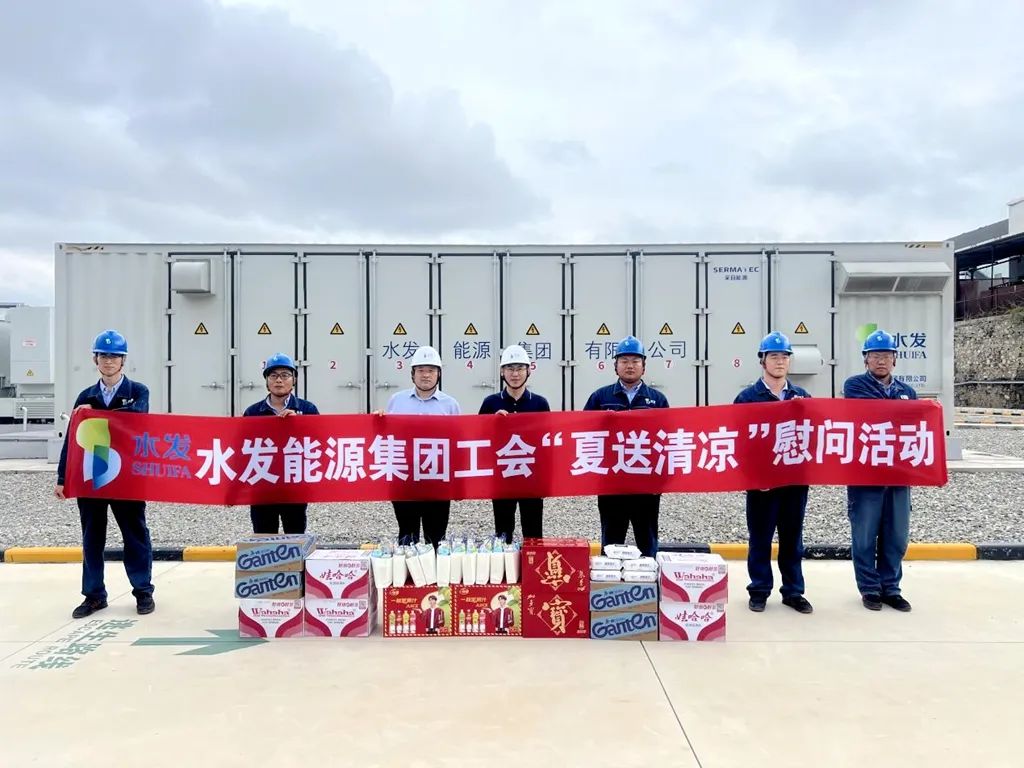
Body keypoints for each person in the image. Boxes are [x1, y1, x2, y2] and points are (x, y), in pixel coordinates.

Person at [54, 329, 156, 619]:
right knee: (92, 536)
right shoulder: (85, 396)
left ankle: (143, 591)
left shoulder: (138, 392)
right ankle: (94, 595)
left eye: (115, 356)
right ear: (95, 359)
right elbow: (72, 439)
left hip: (127, 476)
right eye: (103, 356)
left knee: (135, 534)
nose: (109, 361)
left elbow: (137, 419)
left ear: (123, 360)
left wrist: (94, 413)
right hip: (92, 474)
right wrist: (62, 478)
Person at [734, 332, 813, 614]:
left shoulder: (802, 398)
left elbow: (812, 438)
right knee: (760, 539)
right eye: (774, 356)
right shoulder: (747, 398)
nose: (780, 362)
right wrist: (755, 477)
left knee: (792, 540)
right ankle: (759, 590)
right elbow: (739, 442)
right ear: (762, 361)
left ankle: (793, 592)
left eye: (784, 357)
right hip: (761, 486)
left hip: (794, 484)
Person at [843, 329, 917, 612]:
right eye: (875, 355)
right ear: (866, 359)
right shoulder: (855, 386)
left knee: (896, 534)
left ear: (895, 359)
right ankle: (870, 588)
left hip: (898, 476)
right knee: (864, 534)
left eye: (886, 355)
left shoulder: (908, 392)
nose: (881, 360)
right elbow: (872, 411)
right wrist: (898, 410)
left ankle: (891, 588)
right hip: (866, 474)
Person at [583, 335, 669, 557]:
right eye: (624, 361)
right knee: (611, 544)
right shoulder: (600, 398)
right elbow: (584, 436)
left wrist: (661, 481)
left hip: (646, 486)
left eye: (635, 361)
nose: (630, 366)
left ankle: (648, 579)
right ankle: (611, 580)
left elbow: (666, 441)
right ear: (616, 365)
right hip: (612, 485)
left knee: (647, 542)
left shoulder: (658, 400)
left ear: (643, 365)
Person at [384, 345, 461, 546]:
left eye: (431, 370)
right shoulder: (396, 401)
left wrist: (458, 485)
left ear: (439, 374)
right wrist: (376, 421)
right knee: (407, 535)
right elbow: (386, 437)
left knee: (435, 537)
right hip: (404, 480)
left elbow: (457, 445)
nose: (426, 375)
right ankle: (407, 567)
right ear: (412, 374)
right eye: (420, 370)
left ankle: (434, 566)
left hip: (437, 481)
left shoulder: (450, 405)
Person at [479, 344, 551, 543]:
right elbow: (479, 439)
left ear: (528, 371)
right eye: (510, 368)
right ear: (502, 372)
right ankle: (505, 563)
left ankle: (532, 562)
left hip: (531, 477)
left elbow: (548, 443)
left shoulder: (540, 403)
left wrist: (547, 479)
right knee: (503, 532)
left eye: (520, 368)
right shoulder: (491, 403)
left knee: (533, 531)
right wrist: (492, 422)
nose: (515, 374)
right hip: (502, 476)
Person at [242, 353, 320, 534]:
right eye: (273, 375)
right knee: (264, 537)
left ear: (294, 380)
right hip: (262, 486)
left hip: (294, 486)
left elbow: (319, 443)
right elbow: (242, 450)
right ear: (267, 381)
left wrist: (299, 423)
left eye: (285, 375)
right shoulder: (253, 412)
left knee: (295, 535)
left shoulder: (307, 409)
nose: (279, 380)